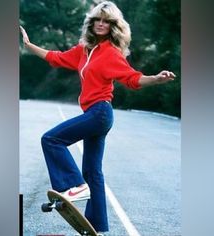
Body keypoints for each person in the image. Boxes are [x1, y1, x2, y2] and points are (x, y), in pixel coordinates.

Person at [20, 1, 175, 235]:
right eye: (97, 20)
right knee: (93, 171)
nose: (101, 24)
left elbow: (132, 78)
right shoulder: (84, 50)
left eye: (106, 21)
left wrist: (155, 78)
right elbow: (57, 57)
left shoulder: (111, 53)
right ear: (91, 24)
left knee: (51, 139)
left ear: (113, 26)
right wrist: (29, 46)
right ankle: (98, 226)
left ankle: (74, 186)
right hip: (94, 114)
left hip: (100, 112)